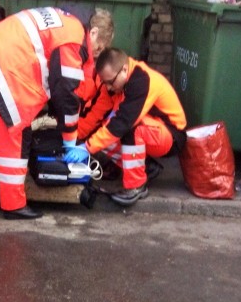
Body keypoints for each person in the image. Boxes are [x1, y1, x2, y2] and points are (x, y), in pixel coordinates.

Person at [0, 6, 114, 219]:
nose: (93, 55)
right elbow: (65, 90)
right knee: (16, 135)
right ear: (94, 32)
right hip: (6, 71)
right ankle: (13, 205)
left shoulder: (62, 19)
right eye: (97, 49)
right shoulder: (74, 36)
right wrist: (70, 138)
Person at [65, 47, 187, 205]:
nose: (108, 87)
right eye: (105, 82)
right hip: (151, 129)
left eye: (110, 82)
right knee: (102, 130)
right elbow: (95, 115)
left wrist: (87, 148)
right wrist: (73, 139)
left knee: (127, 130)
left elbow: (123, 122)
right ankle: (146, 168)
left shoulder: (142, 80)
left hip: (172, 135)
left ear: (124, 69)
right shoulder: (114, 83)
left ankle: (136, 187)